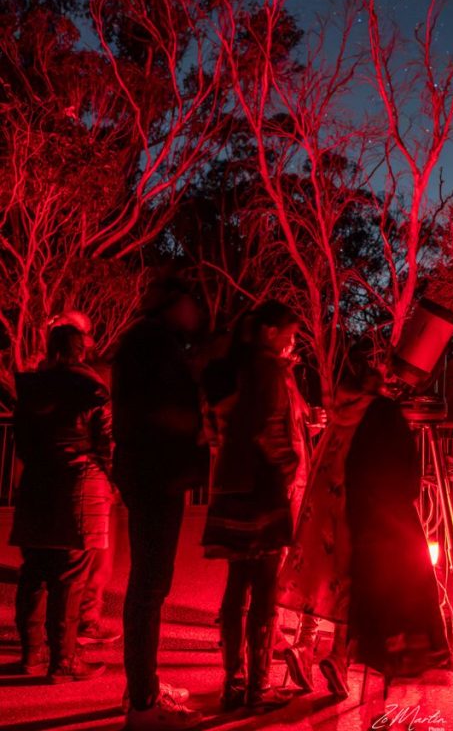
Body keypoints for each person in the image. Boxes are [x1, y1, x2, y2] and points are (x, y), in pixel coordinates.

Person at [277, 348, 448, 699]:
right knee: (347, 585)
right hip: (354, 509)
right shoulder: (375, 413)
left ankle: (305, 646)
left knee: (320, 582)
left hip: (322, 502)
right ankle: (339, 657)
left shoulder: (340, 410)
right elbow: (394, 471)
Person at [111, 277, 210, 730]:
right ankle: (144, 706)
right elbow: (160, 409)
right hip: (157, 472)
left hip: (147, 470)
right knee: (150, 587)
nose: (197, 313)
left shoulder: (144, 342)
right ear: (174, 304)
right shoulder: (156, 344)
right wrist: (200, 428)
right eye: (192, 304)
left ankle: (142, 688)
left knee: (148, 585)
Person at [201, 301, 302, 711]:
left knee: (235, 584)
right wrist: (290, 464)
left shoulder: (225, 367)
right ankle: (258, 690)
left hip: (230, 485)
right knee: (264, 590)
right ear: (269, 331)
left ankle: (232, 683)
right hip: (262, 487)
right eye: (289, 333)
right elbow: (271, 427)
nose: (292, 342)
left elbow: (211, 427)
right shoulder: (267, 370)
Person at [10, 324, 111, 682]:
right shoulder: (90, 387)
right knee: (69, 576)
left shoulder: (31, 388)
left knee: (34, 572)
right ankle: (63, 661)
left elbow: (22, 441)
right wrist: (112, 478)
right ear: (80, 350)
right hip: (78, 485)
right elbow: (106, 439)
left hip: (37, 485)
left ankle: (31, 654)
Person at [47, 310, 120, 648]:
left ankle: (43, 637)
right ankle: (83, 624)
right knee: (93, 554)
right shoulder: (93, 380)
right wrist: (110, 474)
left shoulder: (41, 378)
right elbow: (104, 433)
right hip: (87, 476)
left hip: (48, 476)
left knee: (53, 558)